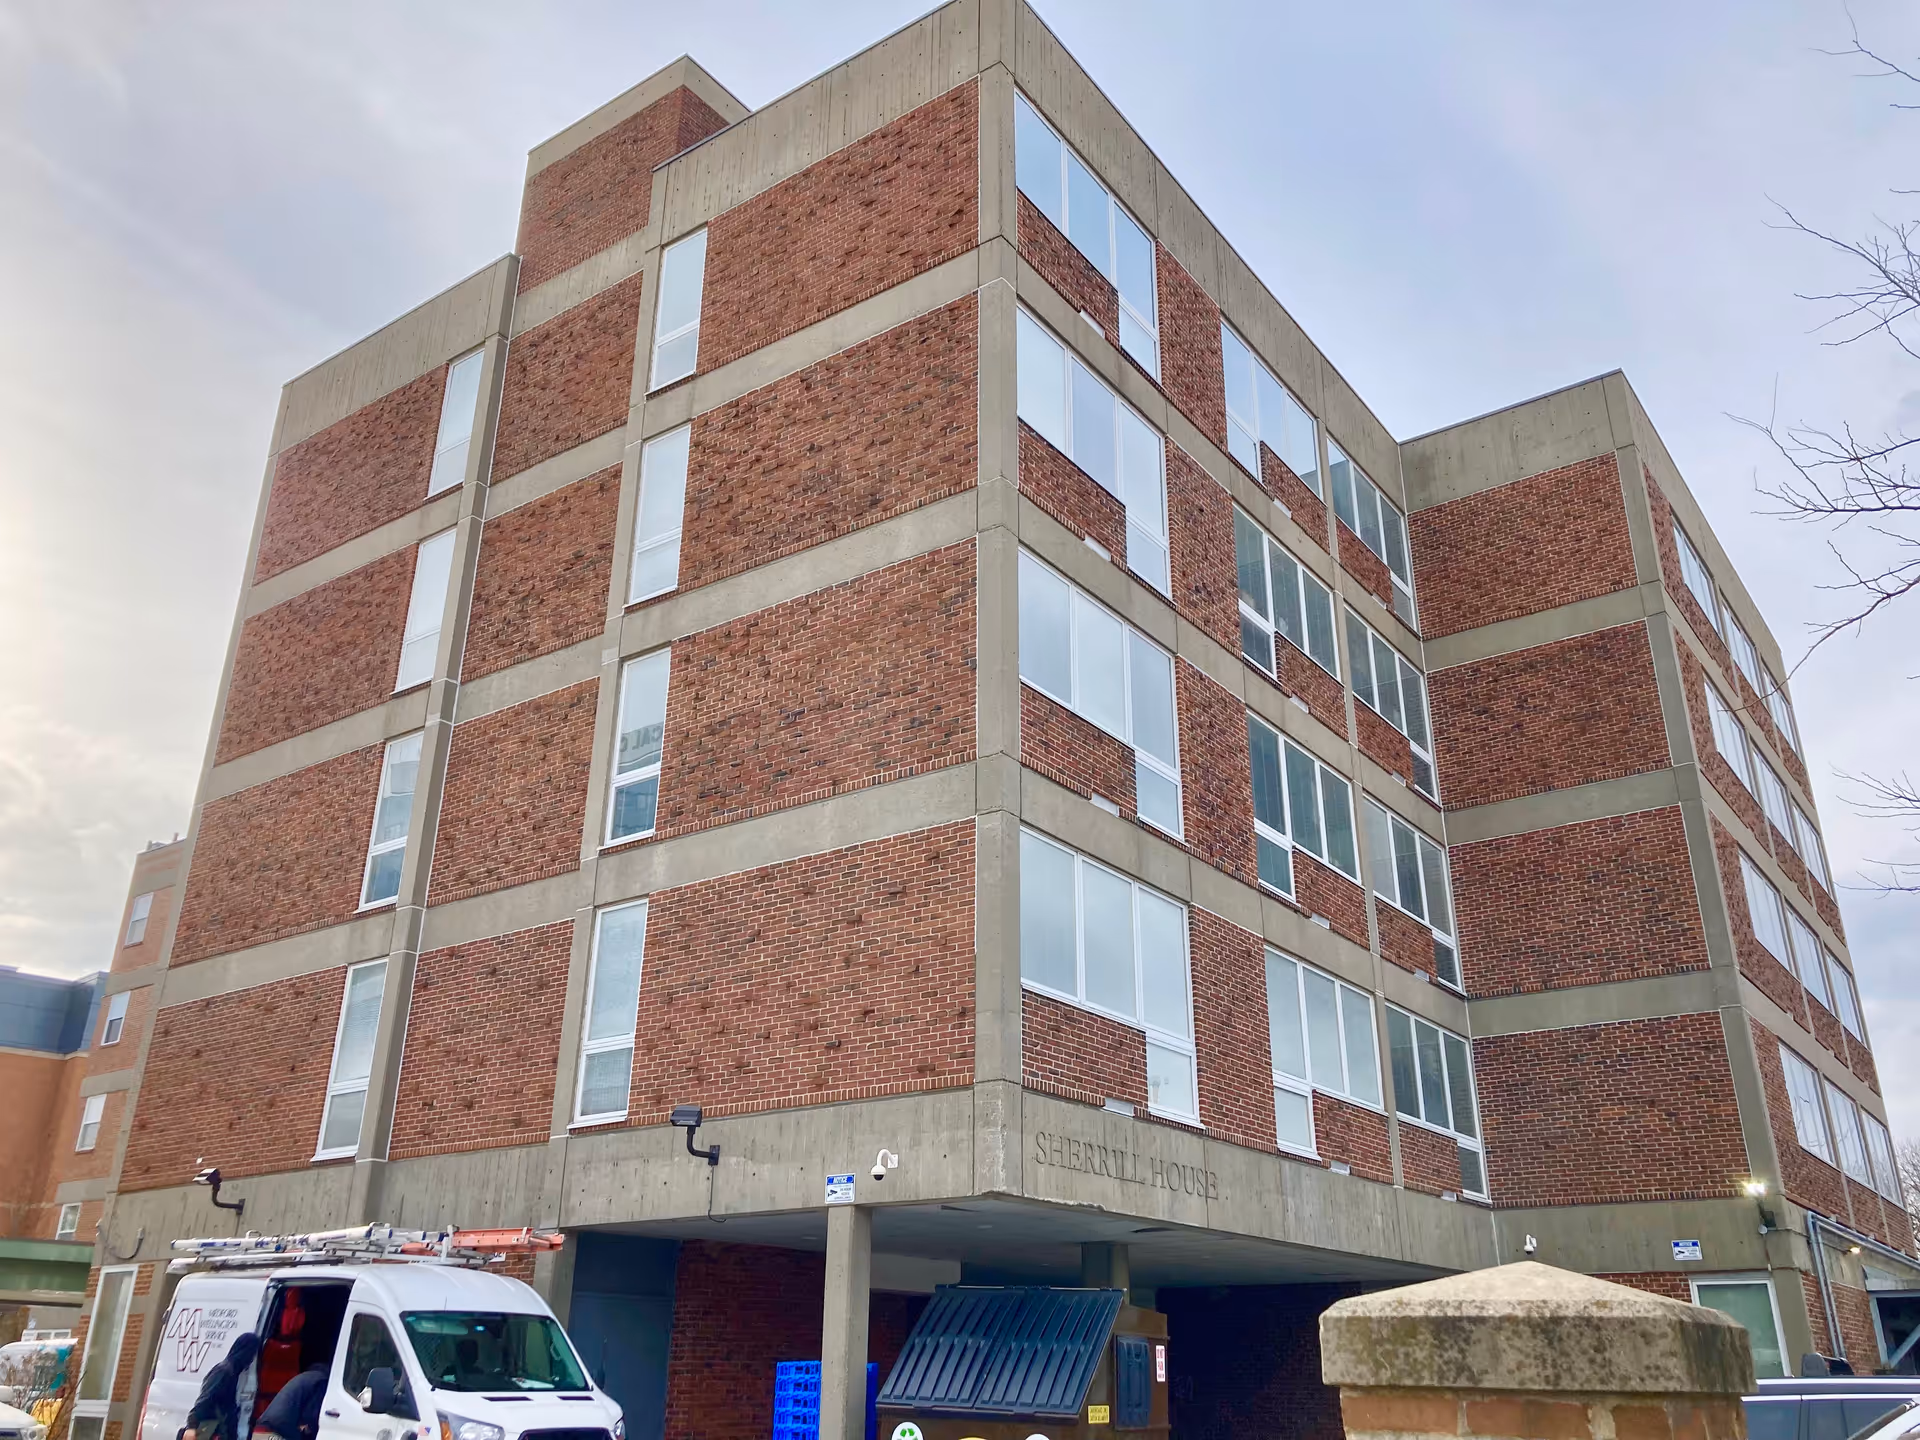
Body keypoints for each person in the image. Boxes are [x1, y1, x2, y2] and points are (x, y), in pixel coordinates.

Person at [181, 1332, 261, 1440]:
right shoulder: (224, 1371)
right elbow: (205, 1399)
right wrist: (191, 1426)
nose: (252, 1358)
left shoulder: (237, 1372)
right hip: (216, 1429)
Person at [254, 1363, 328, 1440]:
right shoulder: (321, 1381)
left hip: (262, 1430)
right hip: (277, 1432)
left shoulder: (308, 1378)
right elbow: (311, 1417)